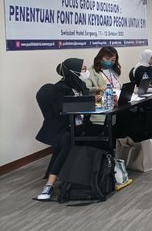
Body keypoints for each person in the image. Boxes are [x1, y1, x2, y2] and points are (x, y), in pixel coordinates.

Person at [35, 58, 104, 200]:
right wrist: (85, 104)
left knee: (103, 131)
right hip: (64, 127)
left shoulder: (80, 84)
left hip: (81, 125)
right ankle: (49, 185)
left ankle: (101, 172)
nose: (85, 72)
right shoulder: (59, 89)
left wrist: (96, 100)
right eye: (83, 69)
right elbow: (62, 111)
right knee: (67, 141)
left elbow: (85, 101)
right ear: (73, 71)